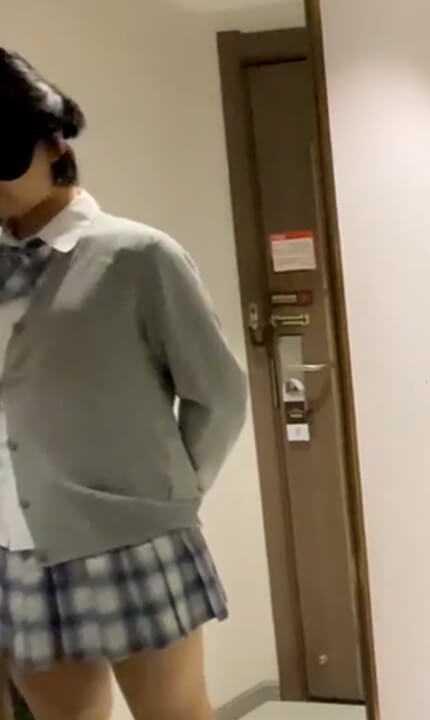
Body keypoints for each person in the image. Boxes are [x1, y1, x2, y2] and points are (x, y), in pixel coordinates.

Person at [0, 48, 247, 720]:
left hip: (134, 539)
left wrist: (169, 497)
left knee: (175, 715)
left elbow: (218, 395)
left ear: (55, 142)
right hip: (19, 550)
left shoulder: (136, 256)